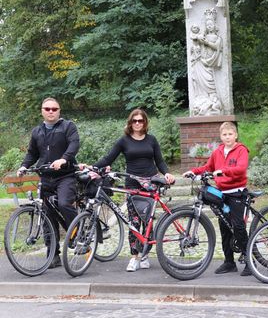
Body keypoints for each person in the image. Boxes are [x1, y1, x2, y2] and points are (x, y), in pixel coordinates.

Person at [93, 108, 175, 272]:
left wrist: (167, 174)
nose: (137, 123)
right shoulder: (124, 141)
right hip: (132, 184)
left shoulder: (151, 140)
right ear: (130, 123)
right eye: (134, 121)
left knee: (147, 220)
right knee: (133, 221)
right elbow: (109, 158)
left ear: (145, 122)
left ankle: (145, 254)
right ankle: (135, 256)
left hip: (151, 183)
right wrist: (93, 168)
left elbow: (159, 161)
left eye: (141, 120)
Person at [17, 97, 80, 269]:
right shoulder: (37, 131)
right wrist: (24, 166)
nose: (51, 111)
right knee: (46, 215)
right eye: (47, 109)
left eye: (54, 109)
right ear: (42, 111)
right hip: (45, 177)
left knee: (64, 203)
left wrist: (64, 159)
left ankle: (77, 234)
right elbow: (32, 153)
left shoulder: (68, 126)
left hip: (65, 176)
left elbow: (74, 144)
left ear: (59, 111)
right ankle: (53, 254)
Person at [182, 121, 251, 276]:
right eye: (224, 134)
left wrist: (223, 171)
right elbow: (208, 167)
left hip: (237, 193)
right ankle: (229, 262)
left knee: (238, 226)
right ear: (220, 136)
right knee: (224, 227)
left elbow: (241, 168)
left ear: (236, 135)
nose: (227, 137)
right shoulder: (218, 152)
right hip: (222, 194)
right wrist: (193, 171)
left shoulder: (241, 150)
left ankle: (249, 261)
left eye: (230, 134)